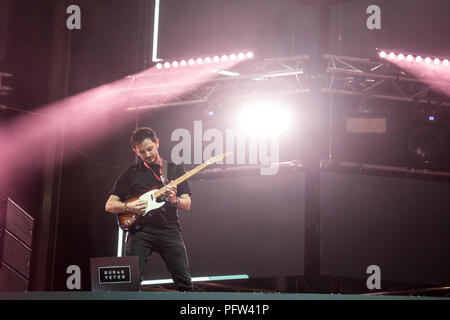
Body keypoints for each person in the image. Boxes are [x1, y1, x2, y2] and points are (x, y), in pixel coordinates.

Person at [105, 127, 193, 291]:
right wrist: (127, 206)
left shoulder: (173, 169)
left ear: (157, 143)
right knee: (130, 285)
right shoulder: (131, 173)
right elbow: (109, 205)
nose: (148, 154)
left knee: (184, 283)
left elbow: (186, 204)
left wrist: (174, 200)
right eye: (142, 152)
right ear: (135, 151)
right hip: (140, 232)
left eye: (150, 149)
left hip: (169, 230)